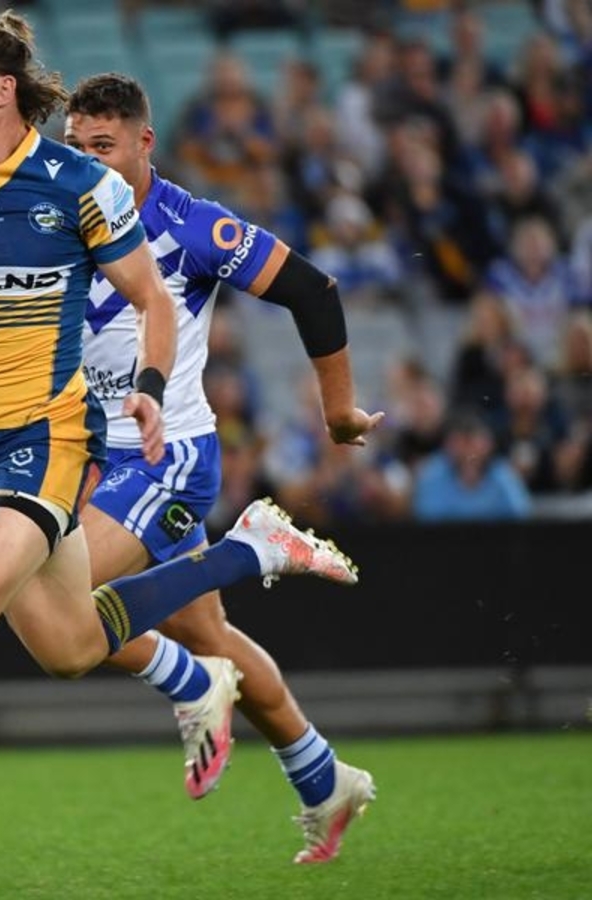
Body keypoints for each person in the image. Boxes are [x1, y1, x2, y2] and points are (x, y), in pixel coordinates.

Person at [0, 12, 364, 890]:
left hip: (116, 449)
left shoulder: (138, 210)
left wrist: (326, 408)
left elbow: (279, 293)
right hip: (1, 451)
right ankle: (297, 714)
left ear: (1, 90)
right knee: (78, 643)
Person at [63, 72, 383, 864]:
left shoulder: (190, 225)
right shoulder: (59, 215)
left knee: (59, 610)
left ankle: (249, 551)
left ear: (145, 144)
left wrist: (339, 412)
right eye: (76, 147)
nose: (88, 163)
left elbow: (314, 291)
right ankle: (324, 779)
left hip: (164, 456)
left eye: (104, 146)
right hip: (94, 462)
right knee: (208, 641)